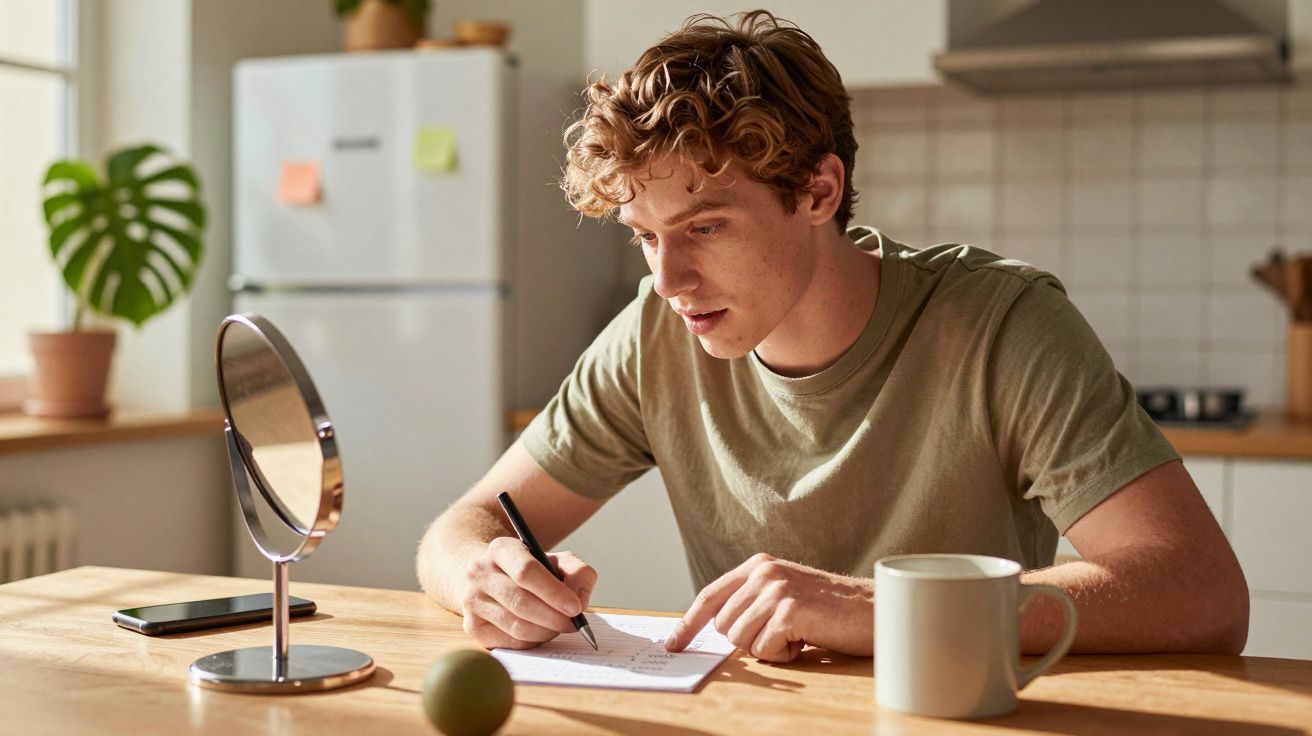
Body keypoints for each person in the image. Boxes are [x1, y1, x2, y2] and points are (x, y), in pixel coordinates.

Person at [416, 10, 1249, 662]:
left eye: (704, 228)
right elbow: (461, 526)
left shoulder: (1002, 326)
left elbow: (1201, 594)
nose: (666, 281)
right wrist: (483, 578)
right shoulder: (651, 338)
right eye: (644, 234)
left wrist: (878, 608)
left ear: (819, 192)